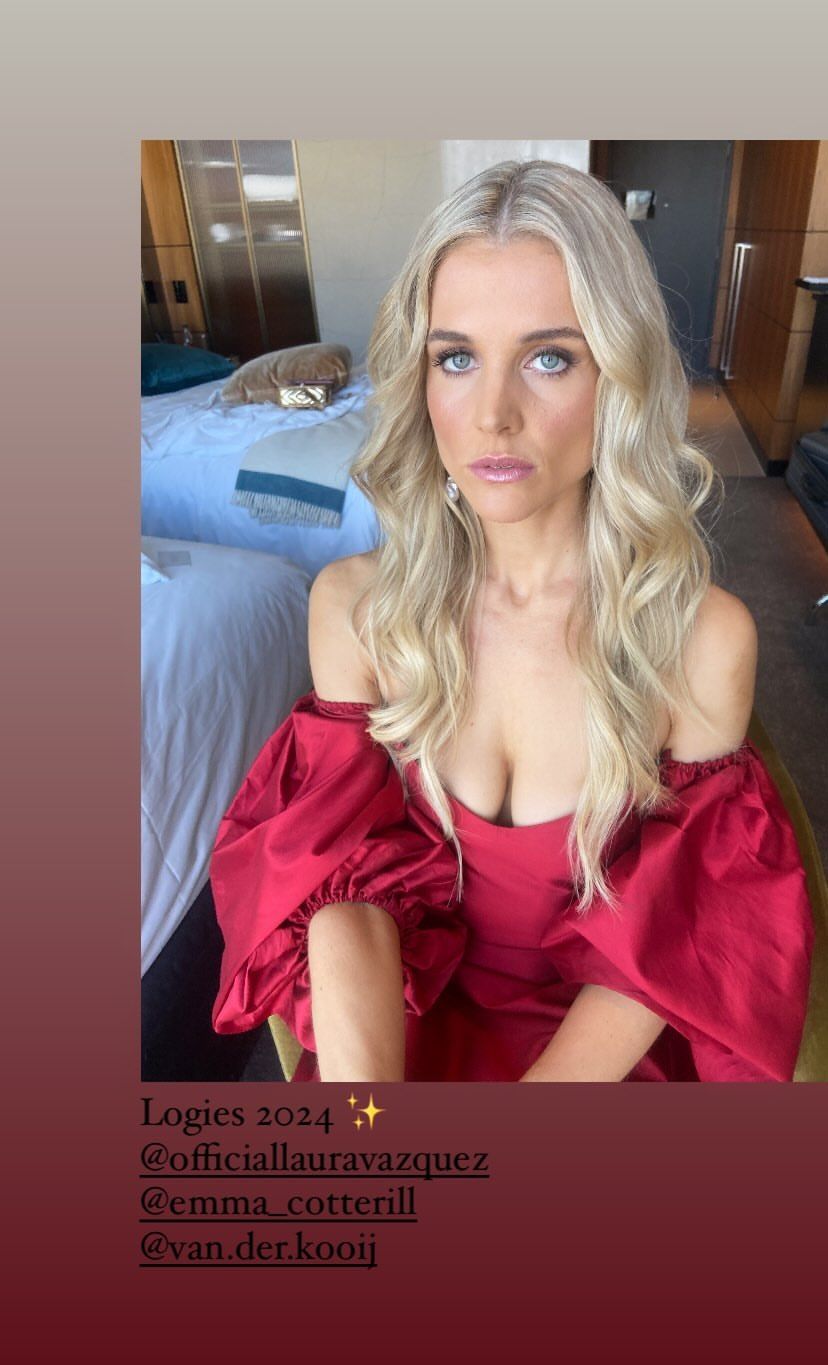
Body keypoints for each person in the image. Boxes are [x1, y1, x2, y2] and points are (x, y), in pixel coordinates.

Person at [209, 160, 814, 1083]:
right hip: (400, 1032)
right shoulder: (357, 610)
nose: (492, 415)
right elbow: (340, 887)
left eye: (549, 357)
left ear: (619, 376)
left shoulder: (699, 638)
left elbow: (678, 939)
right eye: (456, 358)